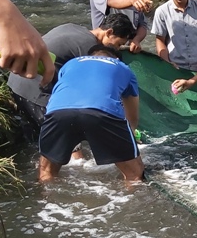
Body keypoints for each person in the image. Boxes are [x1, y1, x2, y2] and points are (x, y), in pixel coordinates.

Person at [8, 13, 137, 130]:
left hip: (16, 81)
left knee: (39, 138)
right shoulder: (90, 50)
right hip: (36, 92)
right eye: (118, 44)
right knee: (66, 135)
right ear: (109, 32)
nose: (118, 49)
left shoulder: (72, 27)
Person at [38, 45, 143, 183]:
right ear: (116, 58)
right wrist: (131, 135)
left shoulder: (70, 63)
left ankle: (47, 201)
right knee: (134, 174)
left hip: (58, 112)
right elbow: (132, 113)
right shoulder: (123, 67)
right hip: (102, 112)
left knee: (46, 171)